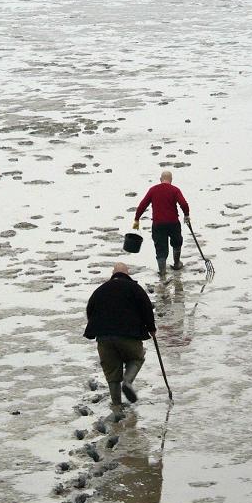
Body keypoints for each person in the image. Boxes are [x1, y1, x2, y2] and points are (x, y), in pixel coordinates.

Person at [84, 262, 156, 409]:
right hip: (129, 335)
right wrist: (151, 328)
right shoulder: (135, 288)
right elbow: (147, 308)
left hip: (104, 338)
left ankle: (117, 405)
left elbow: (89, 310)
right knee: (136, 357)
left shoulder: (100, 290)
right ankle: (128, 382)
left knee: (112, 371)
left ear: (113, 274)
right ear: (127, 274)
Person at [133, 170, 190, 276]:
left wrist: (136, 219)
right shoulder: (175, 190)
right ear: (171, 180)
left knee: (160, 247)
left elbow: (142, 205)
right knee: (177, 242)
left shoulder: (153, 190)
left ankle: (162, 271)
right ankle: (177, 263)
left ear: (160, 180)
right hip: (173, 223)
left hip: (158, 224)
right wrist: (186, 215)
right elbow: (184, 204)